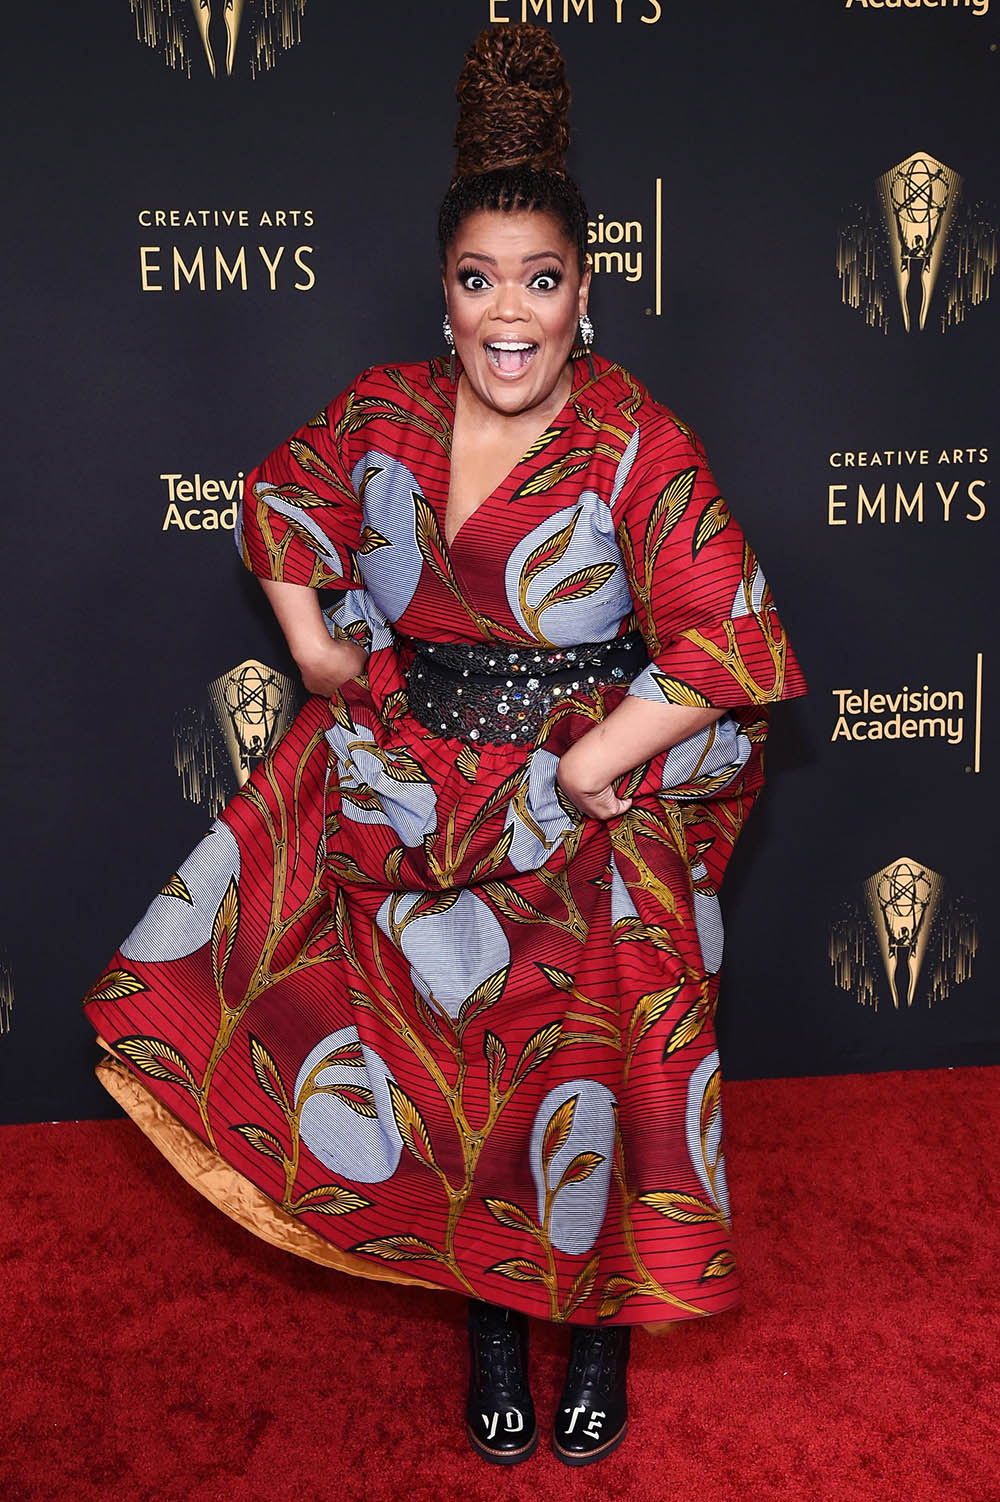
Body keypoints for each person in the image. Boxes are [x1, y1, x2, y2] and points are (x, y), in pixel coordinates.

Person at [83, 24, 806, 1469]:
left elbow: (732, 635)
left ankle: (591, 1334)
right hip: (422, 811)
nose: (510, 314)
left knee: (580, 1092)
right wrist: (310, 644)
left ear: (584, 292)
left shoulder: (630, 436)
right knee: (451, 1089)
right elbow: (280, 496)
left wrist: (602, 764)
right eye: (481, 283)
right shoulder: (384, 415)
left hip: (588, 837)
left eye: (541, 281)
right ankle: (490, 1323)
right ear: (448, 294)